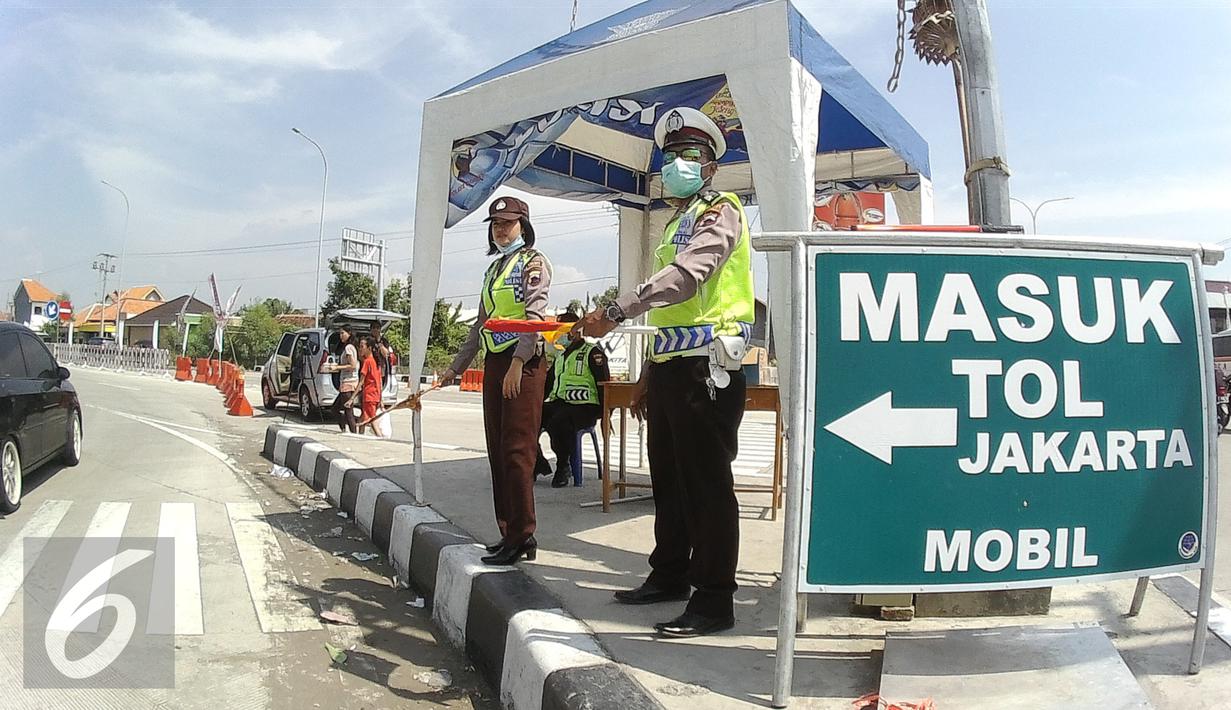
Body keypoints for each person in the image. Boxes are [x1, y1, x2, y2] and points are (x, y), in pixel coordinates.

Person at [576, 106, 753, 638]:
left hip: (710, 370)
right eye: (671, 155)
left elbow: (688, 278)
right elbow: (667, 315)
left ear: (711, 167)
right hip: (674, 367)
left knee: (706, 488)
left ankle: (715, 599)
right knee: (670, 484)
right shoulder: (675, 220)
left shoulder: (720, 212)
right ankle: (670, 575)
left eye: (690, 155)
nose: (678, 163)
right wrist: (650, 377)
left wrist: (612, 312)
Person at [440, 196, 552, 566]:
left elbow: (534, 318)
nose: (501, 229)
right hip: (495, 362)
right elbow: (480, 325)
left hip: (523, 364)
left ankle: (523, 533)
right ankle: (509, 532)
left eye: (507, 223)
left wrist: (519, 362)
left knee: (518, 452)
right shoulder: (494, 271)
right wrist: (456, 368)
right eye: (495, 224)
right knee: (497, 451)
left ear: (524, 225)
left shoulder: (533, 264)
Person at [535, 311, 610, 488]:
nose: (562, 337)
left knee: (558, 422)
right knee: (529, 418)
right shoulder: (561, 357)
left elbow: (604, 385)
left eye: (565, 332)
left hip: (586, 407)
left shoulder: (593, 353)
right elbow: (548, 385)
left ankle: (563, 466)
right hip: (560, 403)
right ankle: (537, 463)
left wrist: (606, 412)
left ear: (577, 331)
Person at [325, 325, 359, 433]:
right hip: (348, 382)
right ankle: (344, 428)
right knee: (335, 409)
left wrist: (337, 367)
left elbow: (352, 365)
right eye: (340, 333)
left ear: (349, 333)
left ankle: (354, 433)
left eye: (342, 333)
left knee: (348, 411)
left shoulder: (348, 348)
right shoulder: (351, 347)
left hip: (348, 382)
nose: (341, 336)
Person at [357, 336, 382, 436]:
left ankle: (380, 438)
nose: (360, 349)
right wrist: (380, 398)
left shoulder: (368, 362)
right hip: (375, 395)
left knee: (372, 419)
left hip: (369, 395)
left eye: (362, 346)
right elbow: (379, 381)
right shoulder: (376, 362)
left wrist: (352, 398)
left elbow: (361, 382)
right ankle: (359, 436)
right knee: (363, 417)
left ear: (369, 348)